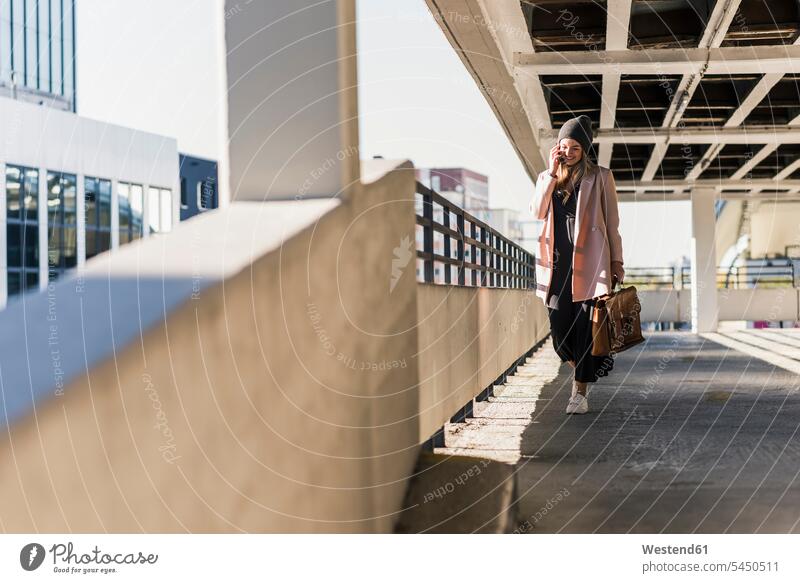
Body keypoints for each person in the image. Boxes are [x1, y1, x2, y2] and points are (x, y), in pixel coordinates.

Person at [529, 115, 625, 414]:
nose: (568, 152)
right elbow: (536, 212)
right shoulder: (549, 178)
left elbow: (612, 224)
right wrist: (549, 171)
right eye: (564, 146)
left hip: (591, 264)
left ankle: (579, 391)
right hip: (557, 265)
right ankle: (588, 365)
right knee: (560, 335)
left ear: (585, 150)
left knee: (585, 329)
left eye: (575, 147)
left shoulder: (600, 176)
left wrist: (616, 262)